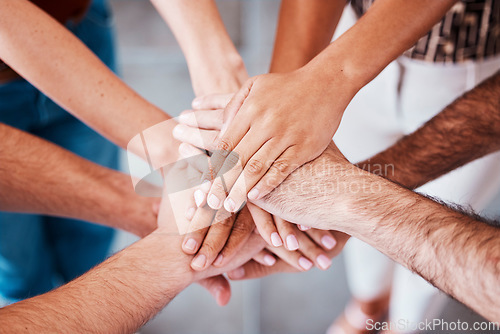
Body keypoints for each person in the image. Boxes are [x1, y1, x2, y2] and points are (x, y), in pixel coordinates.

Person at [183, 0, 500, 330]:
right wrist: (281, 103)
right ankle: (368, 304)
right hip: (349, 38)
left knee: (445, 239)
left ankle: (405, 323)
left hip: (478, 67)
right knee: (358, 238)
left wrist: (351, 192)